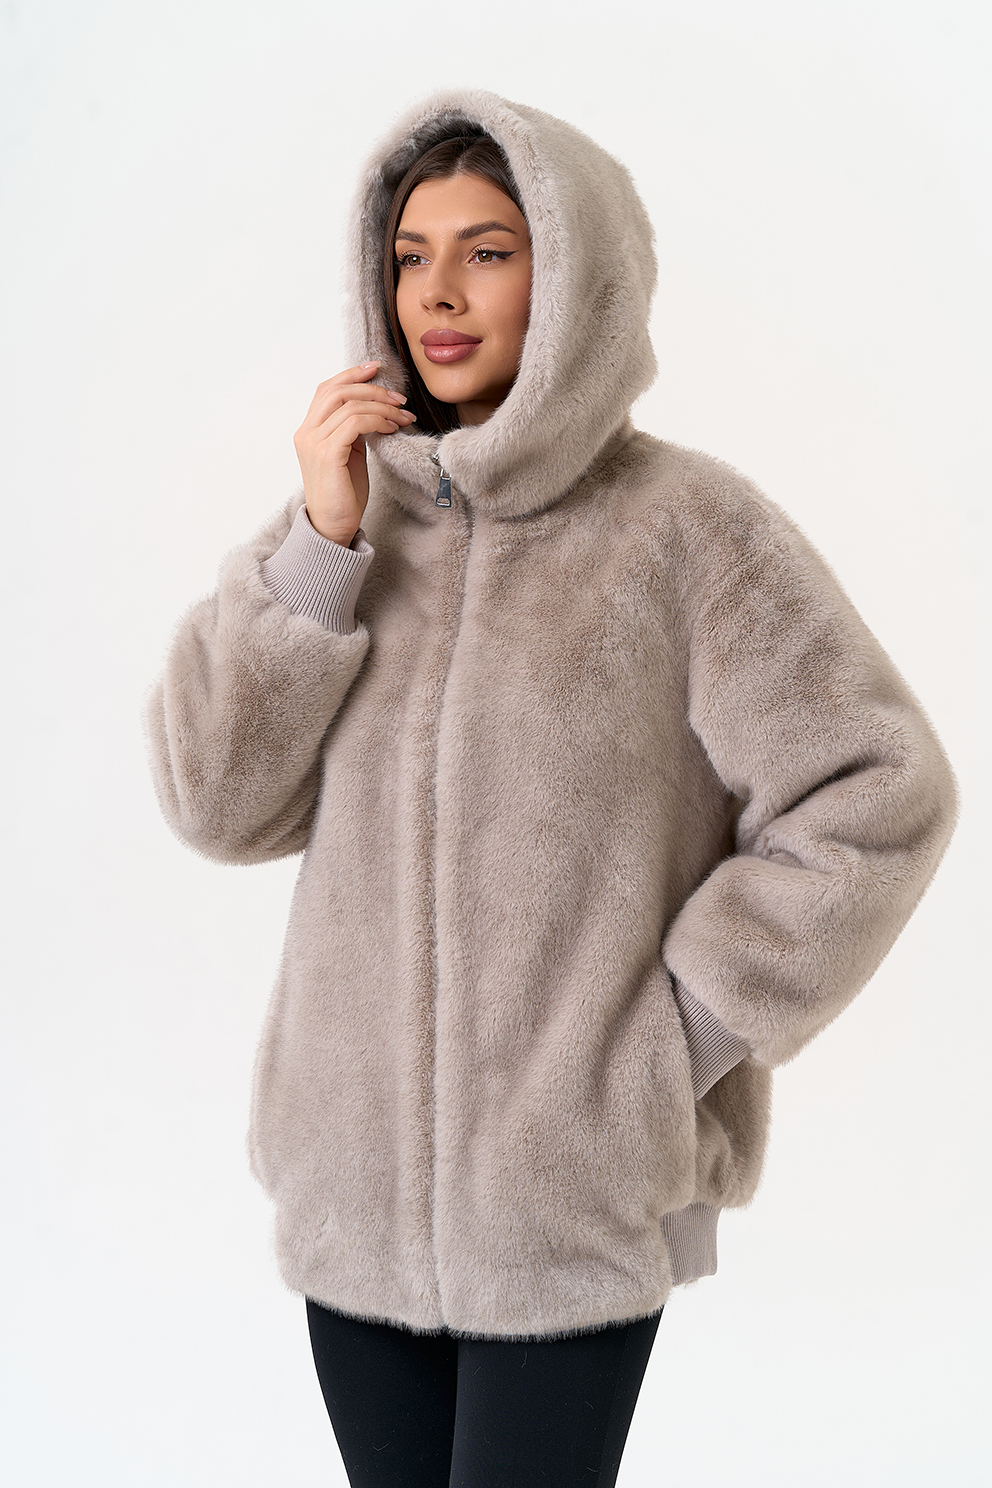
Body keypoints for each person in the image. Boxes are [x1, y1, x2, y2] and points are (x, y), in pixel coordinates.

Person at [146, 90, 957, 1488]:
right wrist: (321, 545)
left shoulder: (685, 529)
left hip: (570, 1202)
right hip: (349, 1196)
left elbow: (880, 790)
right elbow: (218, 804)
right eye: (410, 256)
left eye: (490, 252)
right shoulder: (347, 521)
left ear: (576, 278)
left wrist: (669, 1044)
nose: (438, 293)